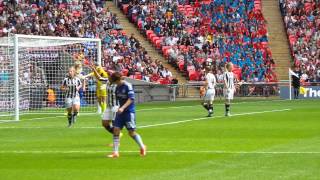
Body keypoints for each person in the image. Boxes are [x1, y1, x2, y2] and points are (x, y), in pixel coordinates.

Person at [108, 72, 146, 158]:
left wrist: (123, 108)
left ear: (118, 80)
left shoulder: (128, 86)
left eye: (115, 82)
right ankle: (115, 152)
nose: (115, 84)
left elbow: (131, 99)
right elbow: (118, 99)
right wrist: (117, 107)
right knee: (116, 130)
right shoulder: (117, 87)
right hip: (120, 112)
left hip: (129, 112)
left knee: (131, 132)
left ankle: (142, 147)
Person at [88, 63, 123, 146]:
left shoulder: (118, 84)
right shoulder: (107, 81)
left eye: (110, 74)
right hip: (109, 106)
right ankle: (118, 135)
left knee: (115, 125)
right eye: (109, 74)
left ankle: (116, 143)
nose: (108, 75)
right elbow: (99, 78)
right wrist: (94, 70)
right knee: (104, 123)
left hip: (115, 106)